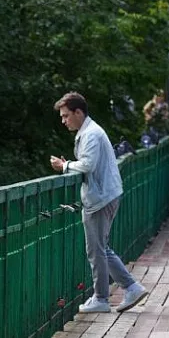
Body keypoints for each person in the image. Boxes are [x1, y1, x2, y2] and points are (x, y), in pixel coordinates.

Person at [50, 92, 148, 313]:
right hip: (104, 194)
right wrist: (72, 164)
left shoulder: (91, 134)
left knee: (96, 250)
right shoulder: (90, 132)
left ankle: (102, 298)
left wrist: (64, 166)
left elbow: (88, 165)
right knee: (100, 248)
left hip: (100, 197)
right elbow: (87, 163)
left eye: (66, 116)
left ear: (78, 112)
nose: (63, 121)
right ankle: (130, 288)